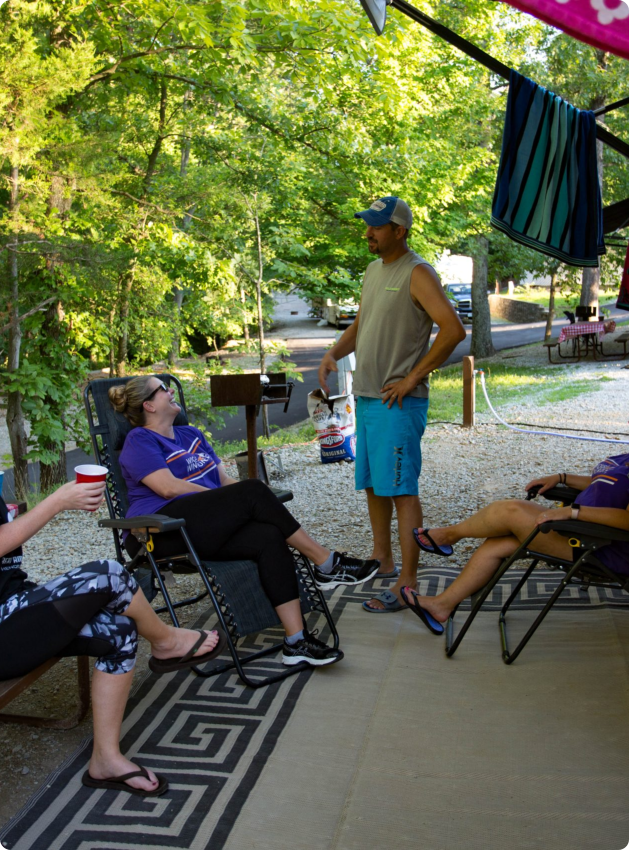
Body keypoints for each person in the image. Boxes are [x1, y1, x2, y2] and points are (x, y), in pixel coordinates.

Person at [108, 376, 380, 668]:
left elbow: (224, 481)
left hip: (205, 527)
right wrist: (229, 500)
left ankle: (296, 640)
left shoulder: (191, 435)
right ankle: (327, 564)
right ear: (148, 405)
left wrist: (231, 501)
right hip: (162, 533)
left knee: (268, 536)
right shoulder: (140, 439)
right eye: (163, 389)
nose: (171, 390)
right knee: (252, 491)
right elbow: (167, 487)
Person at [0, 481, 227, 798]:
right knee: (109, 573)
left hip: (14, 607)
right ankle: (165, 641)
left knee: (118, 629)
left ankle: (105, 759)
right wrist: (56, 502)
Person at [317, 196, 466, 613]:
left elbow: (453, 330)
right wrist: (333, 352)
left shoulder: (418, 272)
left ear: (399, 230)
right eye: (367, 225)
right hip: (367, 399)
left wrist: (415, 376)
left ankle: (408, 581)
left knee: (401, 490)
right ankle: (382, 559)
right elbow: (362, 323)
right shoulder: (372, 270)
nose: (368, 232)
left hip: (398, 403)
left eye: (377, 226)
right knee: (373, 484)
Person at [400, 455, 629, 633]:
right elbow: (602, 483)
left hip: (602, 544)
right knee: (499, 542)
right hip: (581, 530)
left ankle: (448, 536)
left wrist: (575, 511)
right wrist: (561, 478)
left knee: (510, 511)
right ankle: (441, 605)